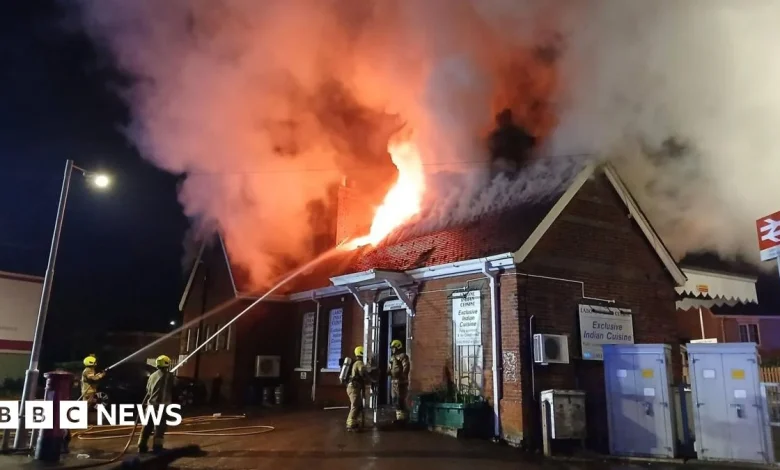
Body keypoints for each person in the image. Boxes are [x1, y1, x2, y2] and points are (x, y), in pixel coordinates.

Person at [138, 355, 174, 453]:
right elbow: (174, 384)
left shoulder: (152, 376)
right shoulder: (168, 376)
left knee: (147, 426)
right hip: (160, 406)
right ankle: (157, 447)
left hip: (150, 405)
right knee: (160, 427)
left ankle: (142, 445)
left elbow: (148, 390)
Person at [346, 346, 372, 432]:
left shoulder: (355, 363)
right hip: (354, 387)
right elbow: (362, 372)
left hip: (353, 387)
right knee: (355, 406)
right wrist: (368, 374)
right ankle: (350, 425)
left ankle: (354, 422)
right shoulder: (359, 362)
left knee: (358, 406)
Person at [388, 339, 410, 424]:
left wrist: (403, 376)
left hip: (401, 381)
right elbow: (390, 368)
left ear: (398, 347)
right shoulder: (392, 358)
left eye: (393, 348)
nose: (392, 350)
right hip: (394, 381)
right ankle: (399, 417)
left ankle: (403, 418)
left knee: (401, 399)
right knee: (394, 399)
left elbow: (406, 367)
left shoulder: (403, 356)